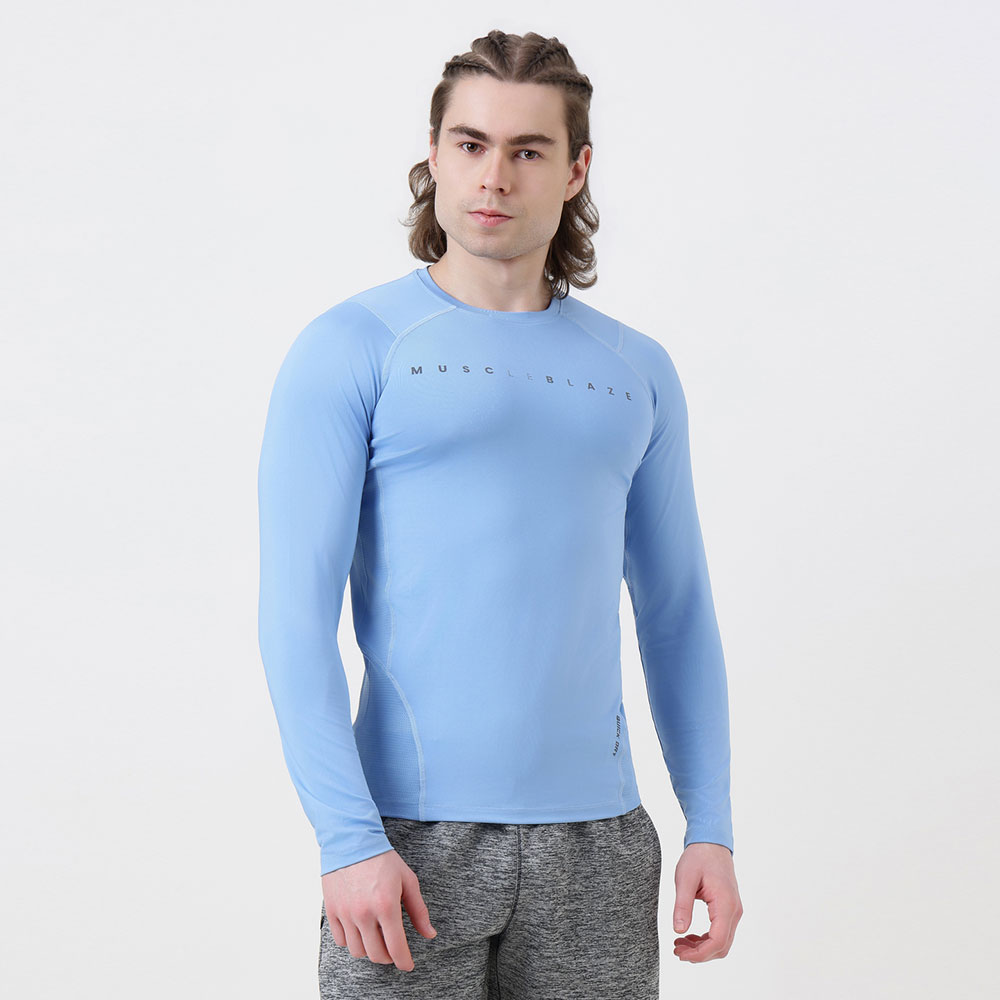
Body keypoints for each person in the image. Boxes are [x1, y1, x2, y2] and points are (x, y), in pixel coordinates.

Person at [256, 28, 743, 999]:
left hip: (599, 845)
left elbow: (677, 612)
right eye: (471, 143)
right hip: (402, 840)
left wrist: (712, 826)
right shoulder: (352, 347)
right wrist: (346, 836)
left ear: (575, 171)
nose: (494, 176)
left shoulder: (635, 370)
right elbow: (293, 618)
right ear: (434, 155)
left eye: (528, 150)